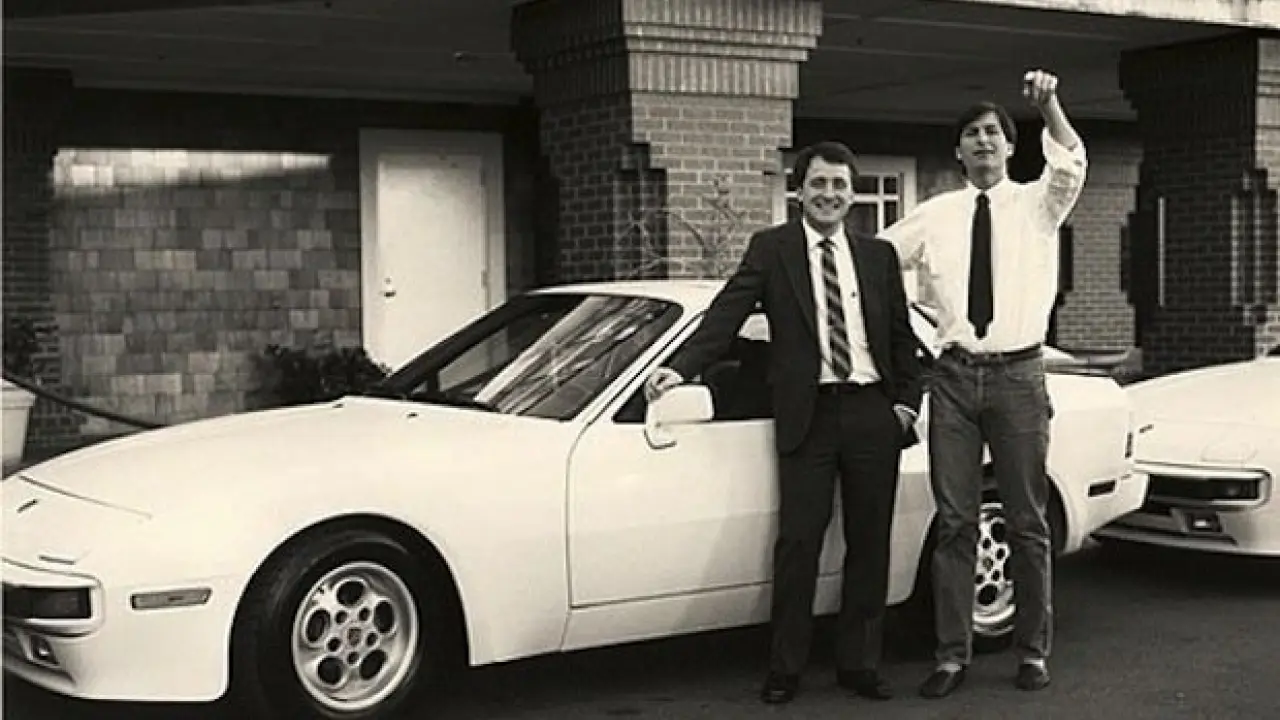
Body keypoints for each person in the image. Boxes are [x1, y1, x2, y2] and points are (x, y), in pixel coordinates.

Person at [645, 141, 924, 705]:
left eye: (839, 185)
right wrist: (680, 367)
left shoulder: (878, 257)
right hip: (807, 416)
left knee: (870, 542)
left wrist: (905, 405)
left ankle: (859, 664)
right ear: (799, 191)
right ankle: (785, 667)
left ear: (852, 194)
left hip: (872, 412)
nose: (829, 195)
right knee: (799, 543)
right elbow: (727, 314)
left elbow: (901, 336)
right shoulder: (772, 249)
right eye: (818, 184)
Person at [878, 69, 1086, 698]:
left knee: (1025, 520)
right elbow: (877, 262)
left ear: (1011, 146)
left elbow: (1070, 163)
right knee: (954, 522)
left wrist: (1050, 105)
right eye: (972, 133)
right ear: (958, 150)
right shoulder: (936, 214)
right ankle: (951, 655)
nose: (984, 140)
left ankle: (1032, 650)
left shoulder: (1038, 204)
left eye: (993, 131)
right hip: (953, 380)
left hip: (1019, 376)